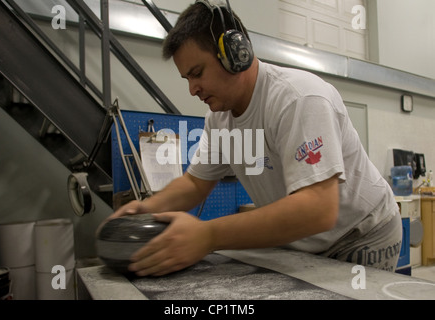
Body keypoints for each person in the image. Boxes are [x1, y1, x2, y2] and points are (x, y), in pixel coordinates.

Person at [107, 0, 402, 276]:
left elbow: (318, 209)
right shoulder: (219, 119)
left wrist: (208, 235)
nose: (192, 89)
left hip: (361, 234)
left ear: (236, 54)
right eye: (187, 79)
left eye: (197, 73)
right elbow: (195, 184)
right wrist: (145, 209)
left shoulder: (297, 99)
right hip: (307, 242)